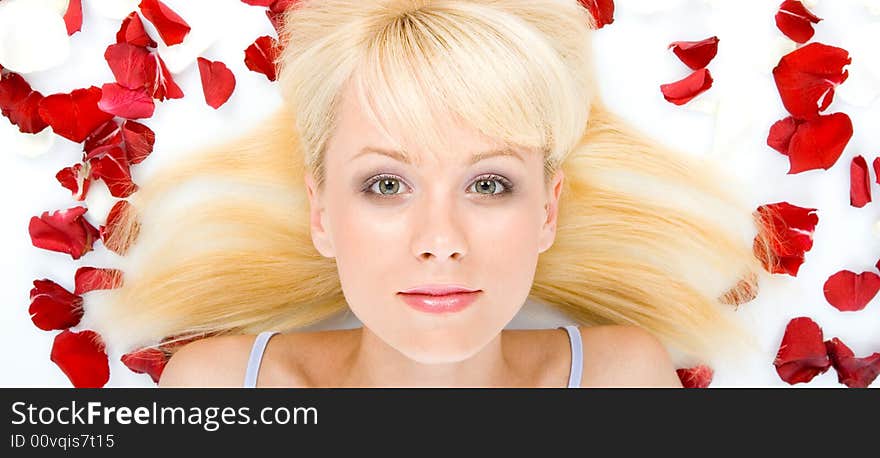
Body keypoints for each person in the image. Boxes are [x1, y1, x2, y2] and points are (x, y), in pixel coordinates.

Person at [96, 0, 777, 388]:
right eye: (386, 184)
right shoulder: (218, 393)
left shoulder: (621, 381)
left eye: (489, 184)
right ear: (321, 213)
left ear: (547, 211)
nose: (441, 241)